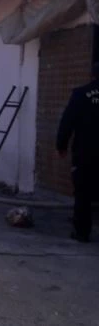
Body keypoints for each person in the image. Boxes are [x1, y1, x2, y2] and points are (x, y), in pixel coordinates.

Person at [56, 62, 99, 243]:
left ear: (92, 75)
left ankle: (82, 232)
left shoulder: (80, 94)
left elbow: (67, 121)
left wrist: (61, 145)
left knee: (83, 193)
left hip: (85, 152)